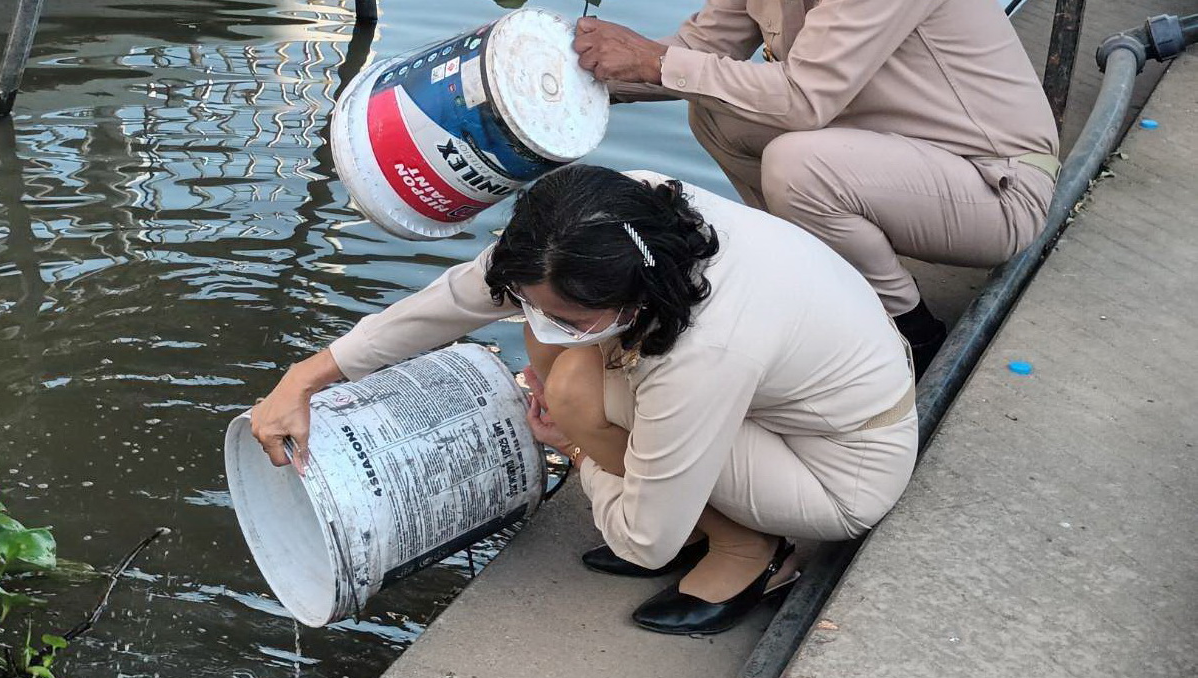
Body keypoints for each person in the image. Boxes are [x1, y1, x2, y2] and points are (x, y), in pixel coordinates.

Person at [250, 165, 917, 636]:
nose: (539, 324)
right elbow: (456, 300)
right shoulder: (615, 218)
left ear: (633, 295)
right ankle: (687, 500)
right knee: (571, 371)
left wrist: (572, 438)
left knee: (573, 390)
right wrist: (302, 379)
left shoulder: (709, 347)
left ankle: (750, 552)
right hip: (778, 398)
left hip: (835, 467)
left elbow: (641, 543)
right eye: (530, 305)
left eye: (568, 314)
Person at [571, 0, 1059, 375]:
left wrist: (653, 58)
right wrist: (568, 80)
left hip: (992, 184)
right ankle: (813, 278)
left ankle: (911, 331)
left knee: (796, 165)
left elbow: (803, 101)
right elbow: (706, 45)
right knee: (716, 111)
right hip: (886, 157)